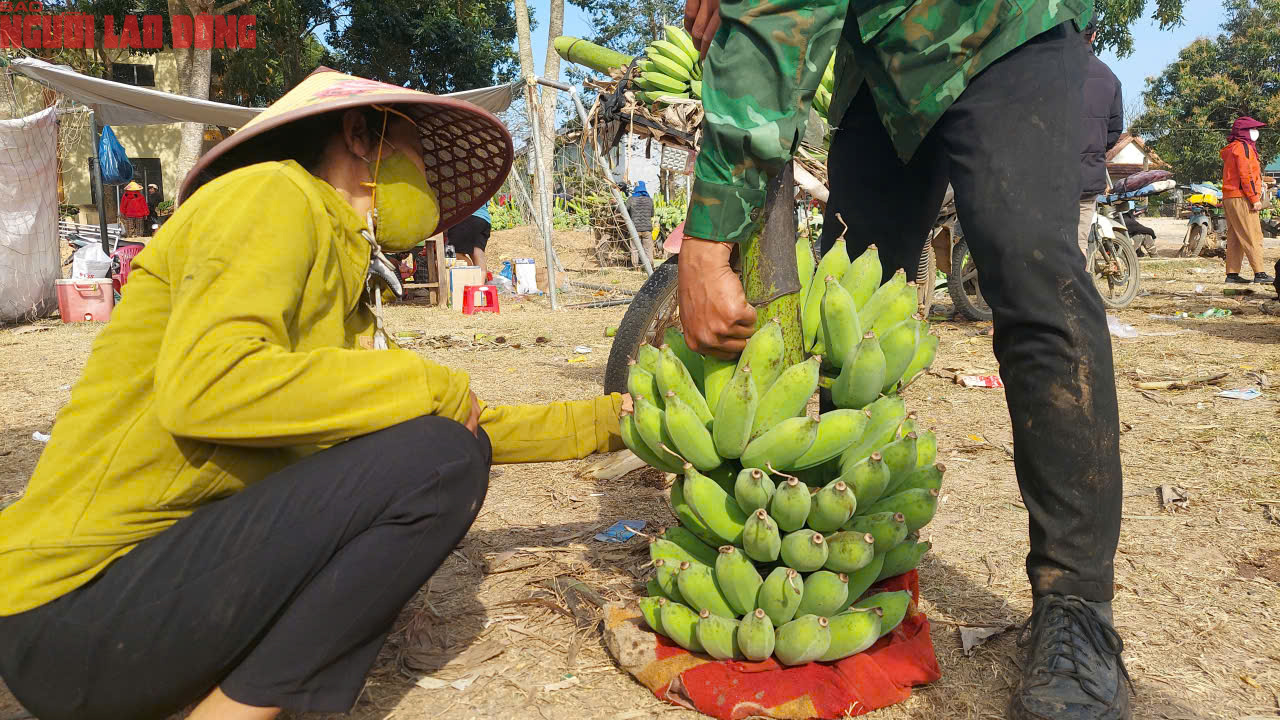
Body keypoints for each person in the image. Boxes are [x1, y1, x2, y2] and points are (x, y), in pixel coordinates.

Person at [0, 67, 629, 720]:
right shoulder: (269, 195)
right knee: (441, 457)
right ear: (360, 135)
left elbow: (454, 428)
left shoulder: (341, 282)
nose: (426, 182)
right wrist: (428, 384)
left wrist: (609, 421)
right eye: (416, 155)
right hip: (76, 608)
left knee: (446, 451)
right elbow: (210, 385)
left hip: (149, 605)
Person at [678, 1, 1131, 718]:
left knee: (1032, 277)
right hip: (881, 65)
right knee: (850, 297)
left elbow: (776, 17)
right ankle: (836, 541)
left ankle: (1076, 604)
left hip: (1004, 29)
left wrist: (705, 242)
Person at [1077, 17, 1125, 258]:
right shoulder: (1109, 77)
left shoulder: (1049, 73)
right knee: (1078, 244)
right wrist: (1094, 148)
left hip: (1051, 176)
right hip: (1088, 176)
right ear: (1094, 35)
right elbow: (1115, 130)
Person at [1220, 116, 1272, 284]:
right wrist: (1254, 198)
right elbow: (1246, 175)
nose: (1255, 132)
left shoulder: (1232, 148)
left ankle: (1232, 274)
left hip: (1230, 196)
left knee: (1235, 236)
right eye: (1252, 129)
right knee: (1253, 234)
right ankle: (1260, 273)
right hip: (1241, 197)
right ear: (1243, 132)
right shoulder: (1243, 148)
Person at [445, 202, 491, 274]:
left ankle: (471, 273)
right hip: (484, 219)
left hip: (465, 217)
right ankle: (481, 280)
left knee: (451, 253)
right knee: (477, 253)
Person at [626, 180, 656, 266]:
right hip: (647, 229)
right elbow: (652, 214)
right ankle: (650, 266)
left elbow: (624, 211)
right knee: (648, 249)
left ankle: (636, 266)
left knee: (635, 249)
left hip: (634, 229)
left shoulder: (631, 200)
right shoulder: (650, 200)